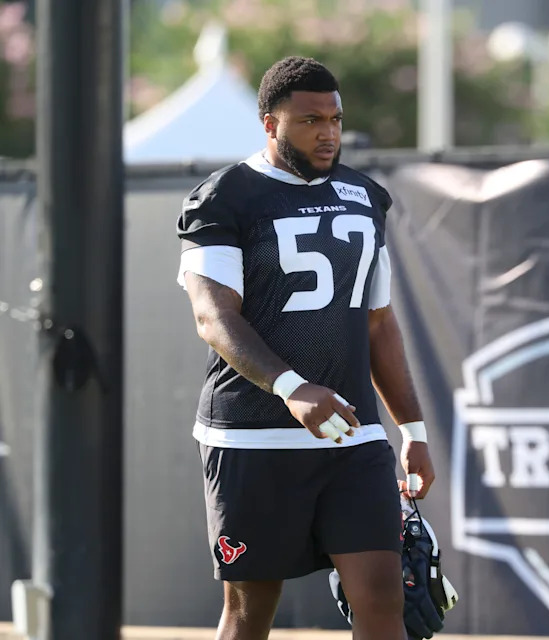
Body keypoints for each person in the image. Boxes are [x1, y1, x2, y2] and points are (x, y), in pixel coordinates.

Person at [175, 55, 436, 640]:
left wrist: (412, 430)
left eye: (336, 119)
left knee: (384, 597)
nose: (328, 133)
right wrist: (293, 388)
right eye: (310, 120)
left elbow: (378, 325)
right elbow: (212, 316)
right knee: (249, 611)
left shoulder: (366, 198)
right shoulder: (225, 198)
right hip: (252, 433)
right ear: (270, 124)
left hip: (352, 434)